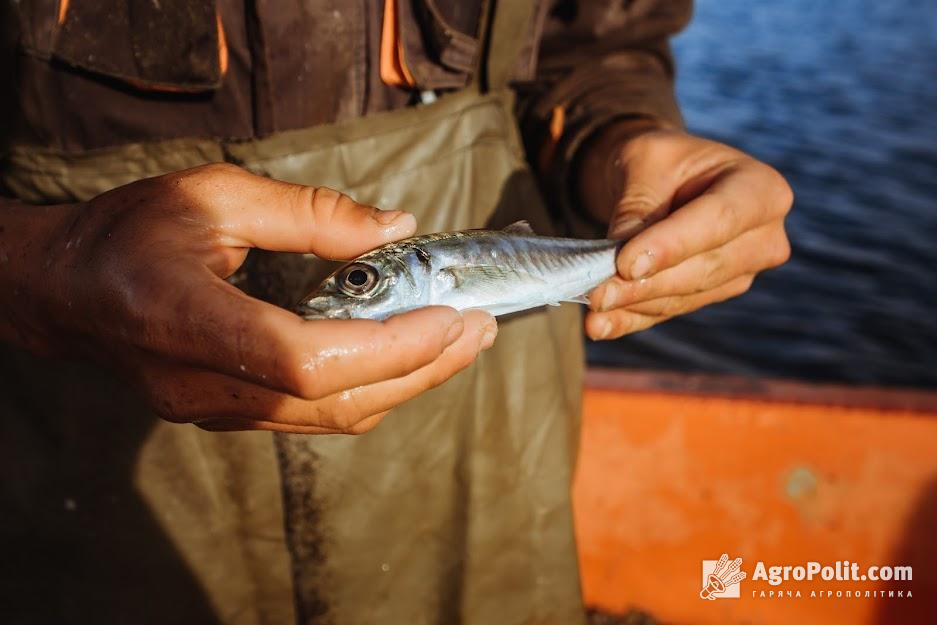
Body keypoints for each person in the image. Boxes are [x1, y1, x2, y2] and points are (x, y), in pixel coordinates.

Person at [0, 1, 791, 624]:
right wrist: (38, 264)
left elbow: (591, 46)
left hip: (484, 421)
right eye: (355, 286)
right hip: (83, 416)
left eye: (357, 285)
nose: (343, 292)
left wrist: (624, 141)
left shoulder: (439, 270)